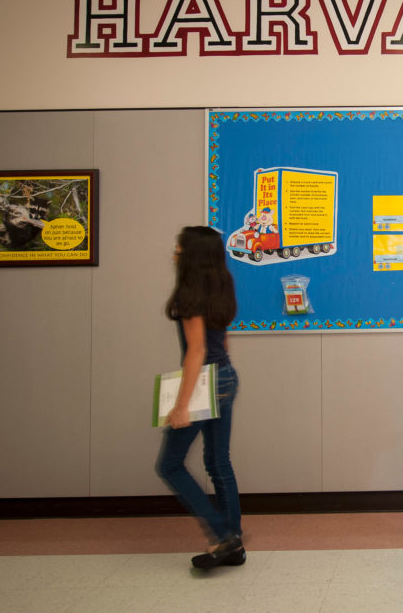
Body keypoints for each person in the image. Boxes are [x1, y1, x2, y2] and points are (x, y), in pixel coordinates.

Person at [156, 226, 244, 570]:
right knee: (219, 462)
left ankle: (223, 533)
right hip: (226, 376)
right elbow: (221, 344)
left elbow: (196, 352)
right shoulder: (222, 284)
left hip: (205, 379)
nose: (175, 252)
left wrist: (181, 406)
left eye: (179, 247)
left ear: (190, 255)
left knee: (169, 465)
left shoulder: (189, 293)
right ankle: (232, 541)